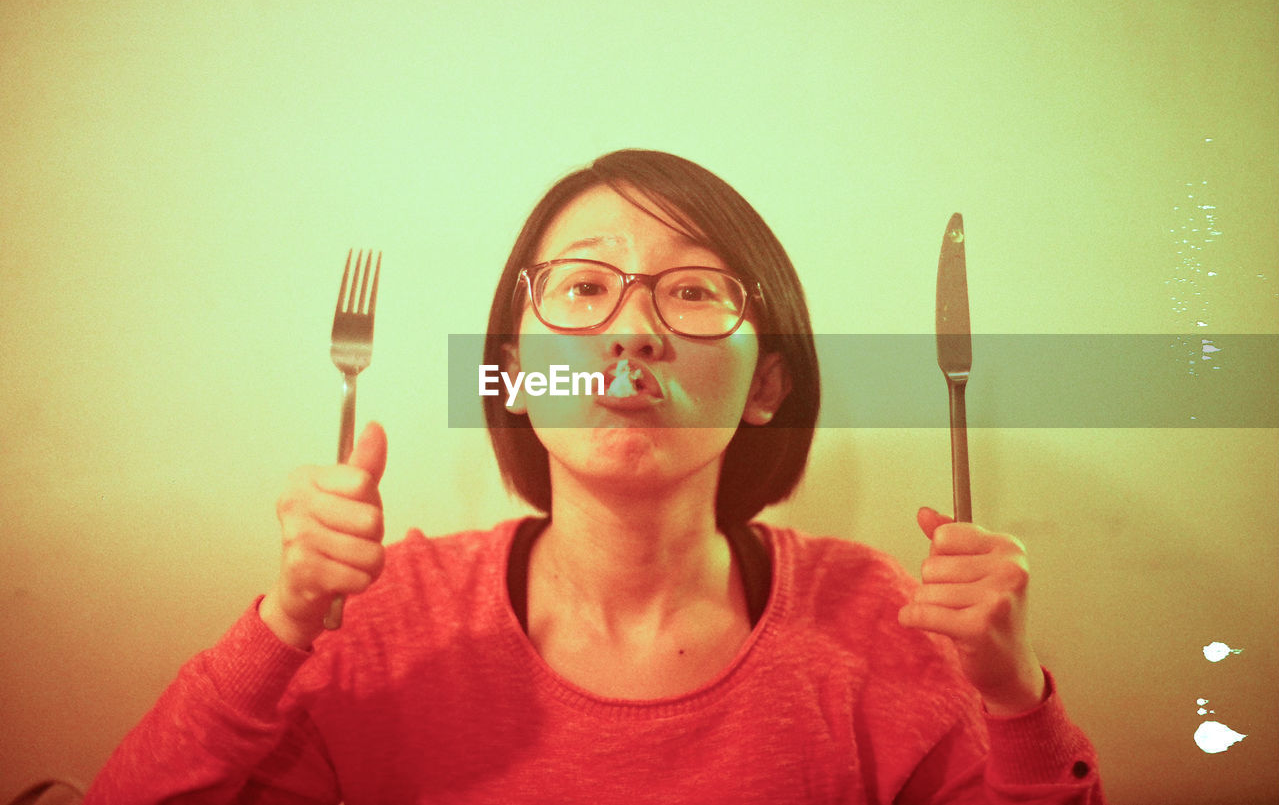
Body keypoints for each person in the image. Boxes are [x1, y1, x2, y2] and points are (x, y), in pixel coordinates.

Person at [86, 149, 1107, 803]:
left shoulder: (879, 627)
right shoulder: (384, 624)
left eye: (693, 290)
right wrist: (281, 624)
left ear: (767, 386)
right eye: (583, 287)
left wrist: (1013, 701)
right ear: (516, 373)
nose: (632, 330)